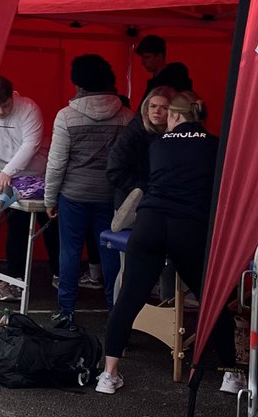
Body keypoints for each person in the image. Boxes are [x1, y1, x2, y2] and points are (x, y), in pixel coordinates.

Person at [96, 91, 242, 395]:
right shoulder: (216, 146)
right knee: (211, 297)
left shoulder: (159, 145)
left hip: (149, 224)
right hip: (188, 227)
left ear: (175, 116)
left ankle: (108, 375)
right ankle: (231, 374)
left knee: (129, 298)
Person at [44, 54, 131, 328]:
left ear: (78, 82)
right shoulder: (127, 117)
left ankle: (66, 311)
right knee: (111, 254)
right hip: (110, 196)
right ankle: (115, 310)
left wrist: (49, 197)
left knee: (69, 251)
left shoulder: (66, 117)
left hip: (73, 195)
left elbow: (56, 163)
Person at [0, 77, 59, 301]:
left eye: (5, 105)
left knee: (51, 229)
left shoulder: (28, 108)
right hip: (7, 181)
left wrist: (8, 171)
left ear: (12, 97)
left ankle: (59, 273)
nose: (0, 111)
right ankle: (15, 278)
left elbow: (32, 144)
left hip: (38, 175)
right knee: (17, 229)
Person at [107, 86, 174, 209]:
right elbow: (114, 170)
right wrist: (145, 189)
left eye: (164, 108)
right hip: (130, 203)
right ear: (146, 109)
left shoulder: (176, 137)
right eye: (153, 106)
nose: (157, 111)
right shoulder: (132, 133)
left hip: (164, 203)